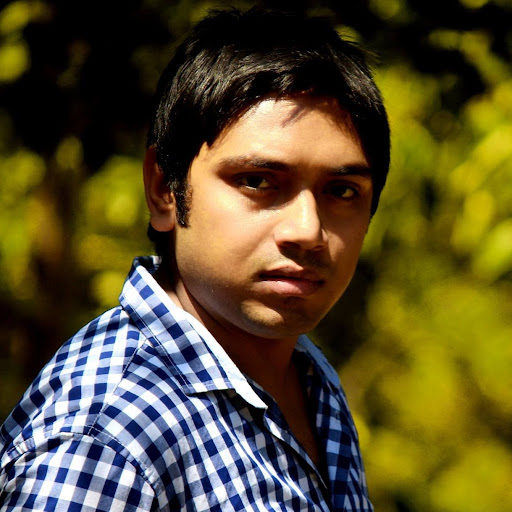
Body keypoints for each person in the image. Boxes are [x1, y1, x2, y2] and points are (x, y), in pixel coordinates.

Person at [0, 7, 389, 512]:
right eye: (258, 181)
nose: (307, 231)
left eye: (342, 191)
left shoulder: (309, 379)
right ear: (165, 190)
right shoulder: (106, 437)